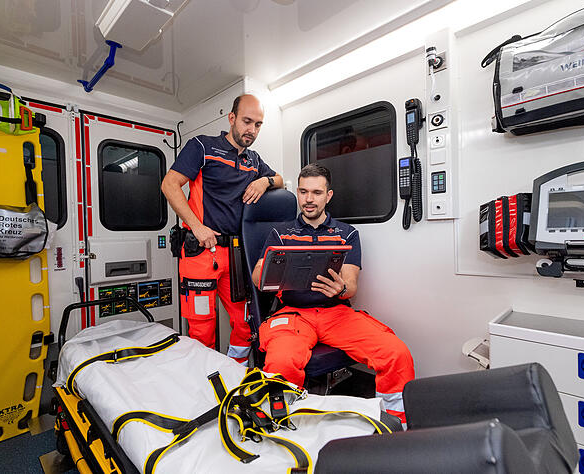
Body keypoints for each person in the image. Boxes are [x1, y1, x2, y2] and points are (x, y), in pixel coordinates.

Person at [251, 163, 415, 422]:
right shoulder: (280, 233)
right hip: (294, 314)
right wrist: (271, 271)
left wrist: (341, 289)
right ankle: (286, 424)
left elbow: (351, 285)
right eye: (303, 192)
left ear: (328, 196)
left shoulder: (347, 234)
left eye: (316, 193)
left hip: (335, 313)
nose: (308, 199)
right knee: (281, 362)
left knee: (396, 353)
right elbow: (257, 277)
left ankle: (396, 423)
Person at [161, 94, 283, 363]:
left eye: (258, 125)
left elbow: (280, 180)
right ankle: (201, 382)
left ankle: (233, 373)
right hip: (201, 252)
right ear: (232, 119)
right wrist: (198, 226)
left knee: (244, 324)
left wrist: (264, 182)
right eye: (247, 121)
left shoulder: (254, 160)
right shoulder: (202, 147)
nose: (251, 130)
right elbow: (169, 185)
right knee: (202, 328)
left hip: (236, 254)